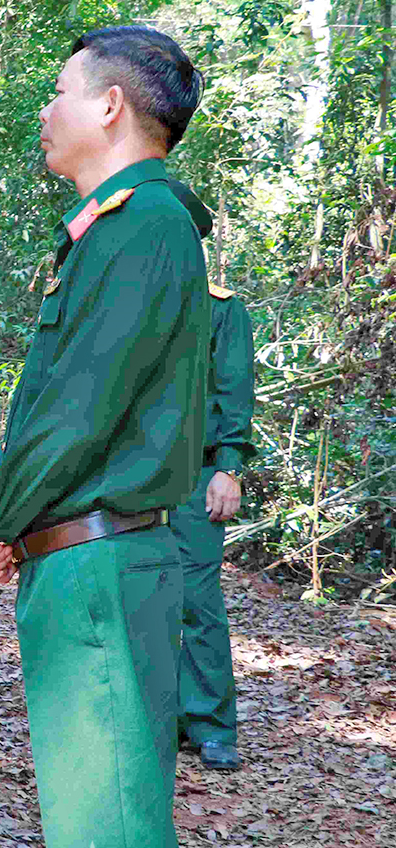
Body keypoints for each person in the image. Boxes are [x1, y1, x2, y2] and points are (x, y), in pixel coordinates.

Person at [0, 25, 206, 848]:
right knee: (99, 829)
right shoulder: (116, 226)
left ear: (109, 107)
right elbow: (57, 403)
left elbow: (80, 410)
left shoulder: (143, 227)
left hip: (100, 562)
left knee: (111, 836)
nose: (44, 112)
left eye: (59, 92)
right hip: (80, 560)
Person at [166, 179, 254, 773]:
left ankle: (211, 722)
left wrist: (228, 469)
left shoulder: (222, 309)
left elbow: (233, 393)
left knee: (197, 599)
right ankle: (159, 716)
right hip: (130, 481)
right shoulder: (137, 302)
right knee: (142, 599)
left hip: (195, 477)